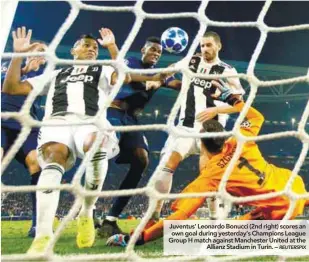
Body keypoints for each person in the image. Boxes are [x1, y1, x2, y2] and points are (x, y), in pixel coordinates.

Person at [106, 83, 309, 247]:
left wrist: (141, 238)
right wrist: (231, 99)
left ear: (202, 143)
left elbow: (180, 216)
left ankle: (135, 237)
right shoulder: (241, 137)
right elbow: (257, 116)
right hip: (293, 184)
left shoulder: (210, 176)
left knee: (214, 238)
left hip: (278, 211)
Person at [3, 26, 129, 253]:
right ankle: (42, 236)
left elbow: (124, 77)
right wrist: (18, 56)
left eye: (94, 47)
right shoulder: (55, 74)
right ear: (73, 50)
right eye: (86, 45)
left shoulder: (102, 70)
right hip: (56, 124)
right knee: (53, 159)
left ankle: (87, 211)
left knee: (96, 142)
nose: (91, 49)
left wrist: (111, 47)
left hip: (91, 121)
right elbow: (11, 88)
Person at [151, 31, 245, 222]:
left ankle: (214, 219)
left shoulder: (227, 70)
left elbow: (239, 103)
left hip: (211, 130)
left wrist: (215, 111)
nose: (204, 49)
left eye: (209, 45)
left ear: (218, 46)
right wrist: (163, 76)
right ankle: (155, 215)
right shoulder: (191, 61)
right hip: (185, 127)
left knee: (209, 175)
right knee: (166, 165)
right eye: (202, 45)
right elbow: (168, 71)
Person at [97, 36, 180, 238]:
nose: (155, 54)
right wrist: (158, 77)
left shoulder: (159, 74)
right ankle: (87, 210)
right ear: (143, 49)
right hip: (113, 113)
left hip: (131, 120)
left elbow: (176, 84)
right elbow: (128, 77)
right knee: (98, 156)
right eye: (152, 50)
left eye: (159, 52)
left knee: (141, 160)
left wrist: (190, 69)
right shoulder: (130, 61)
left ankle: (110, 220)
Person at [1, 37, 47, 238]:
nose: (40, 55)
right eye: (37, 50)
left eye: (43, 52)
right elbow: (7, 86)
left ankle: (38, 224)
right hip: (3, 119)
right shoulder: (8, 65)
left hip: (28, 124)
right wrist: (25, 67)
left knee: (37, 164)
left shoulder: (46, 75)